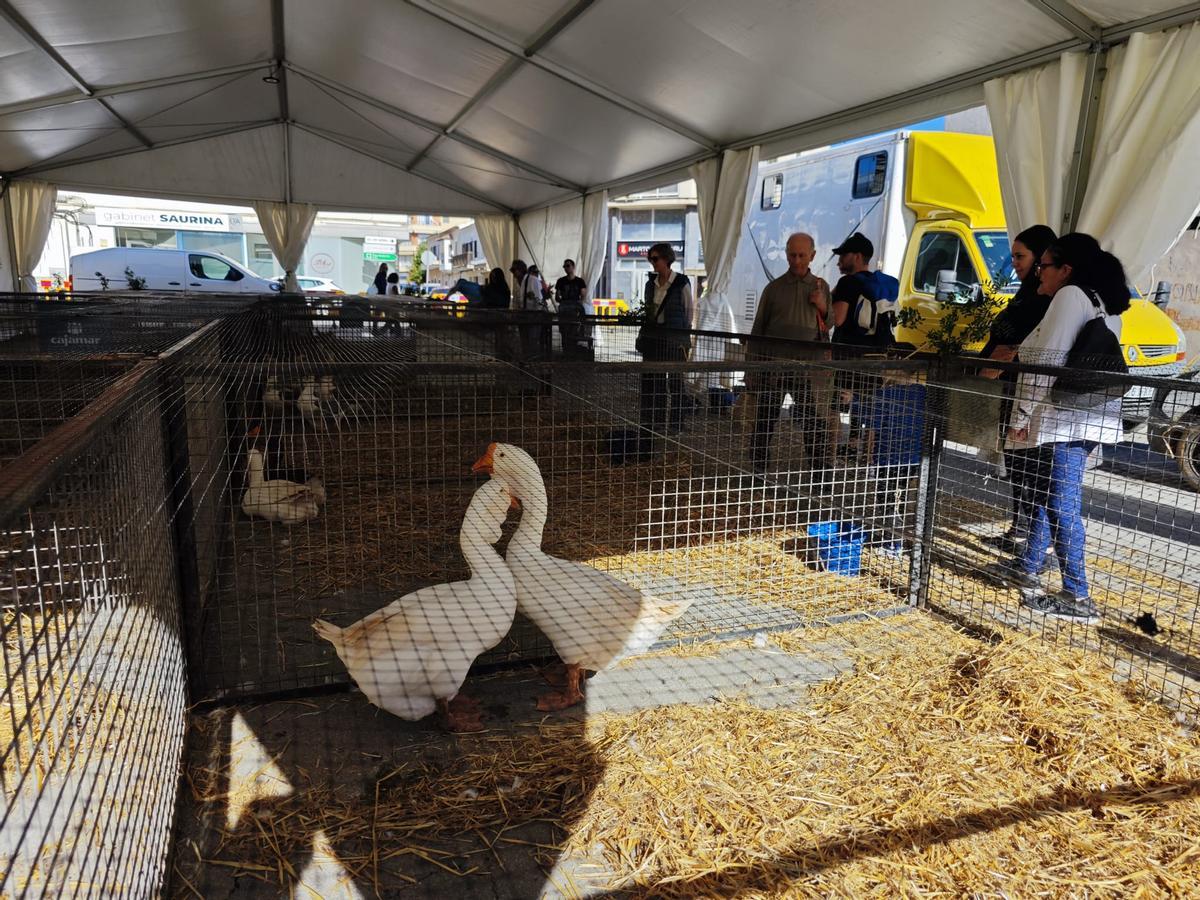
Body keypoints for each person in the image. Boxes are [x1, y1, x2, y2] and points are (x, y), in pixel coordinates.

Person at [988, 234, 1129, 624]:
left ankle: (1077, 595)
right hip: (1085, 417)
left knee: (1059, 504)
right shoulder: (1102, 302)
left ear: (1065, 269)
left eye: (1043, 266)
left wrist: (1019, 419)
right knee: (1049, 495)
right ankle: (1029, 566)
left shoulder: (1070, 298)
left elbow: (1044, 365)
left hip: (1065, 420)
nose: (1038, 274)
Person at [978, 224, 1057, 554]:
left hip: (1028, 393)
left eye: (1020, 256)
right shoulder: (1027, 293)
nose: (1014, 262)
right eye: (1012, 256)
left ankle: (1034, 542)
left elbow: (1040, 345)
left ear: (1041, 257)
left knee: (1031, 467)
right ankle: (1019, 528)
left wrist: (1011, 354)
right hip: (1008, 388)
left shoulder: (1046, 298)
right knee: (1015, 463)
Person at [748, 232, 834, 475]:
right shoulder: (773, 289)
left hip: (807, 370)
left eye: (802, 255)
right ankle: (759, 470)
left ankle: (819, 472)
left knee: (812, 422)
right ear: (786, 255)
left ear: (812, 256)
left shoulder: (821, 287)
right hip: (774, 368)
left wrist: (821, 305)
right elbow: (758, 330)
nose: (796, 260)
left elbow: (829, 323)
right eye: (792, 255)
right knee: (765, 420)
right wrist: (751, 368)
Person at [829, 232, 899, 459]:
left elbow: (837, 319)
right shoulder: (881, 284)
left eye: (844, 255)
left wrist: (822, 305)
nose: (839, 261)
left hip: (848, 355)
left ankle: (830, 457)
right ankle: (867, 459)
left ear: (857, 256)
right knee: (870, 409)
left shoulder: (847, 283)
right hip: (875, 355)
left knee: (837, 409)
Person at [637, 242, 693, 441]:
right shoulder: (650, 284)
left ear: (666, 259)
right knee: (655, 382)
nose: (652, 262)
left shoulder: (681, 283)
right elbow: (648, 311)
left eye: (655, 258)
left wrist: (682, 336)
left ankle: (677, 423)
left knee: (676, 383)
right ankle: (657, 422)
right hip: (654, 339)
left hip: (675, 340)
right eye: (650, 259)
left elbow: (688, 312)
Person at [509, 259, 548, 360]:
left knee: (532, 341)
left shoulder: (532, 280)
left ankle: (533, 362)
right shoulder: (520, 282)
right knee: (525, 342)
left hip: (533, 317)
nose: (514, 274)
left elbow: (539, 301)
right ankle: (527, 362)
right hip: (524, 317)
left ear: (521, 270)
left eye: (515, 271)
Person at [555, 259, 589, 355]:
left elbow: (583, 295)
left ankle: (572, 353)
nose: (566, 268)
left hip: (573, 310)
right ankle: (567, 353)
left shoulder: (580, 281)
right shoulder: (561, 281)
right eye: (565, 266)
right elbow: (557, 297)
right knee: (564, 333)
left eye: (568, 266)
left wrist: (576, 304)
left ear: (573, 267)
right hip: (567, 309)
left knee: (574, 332)